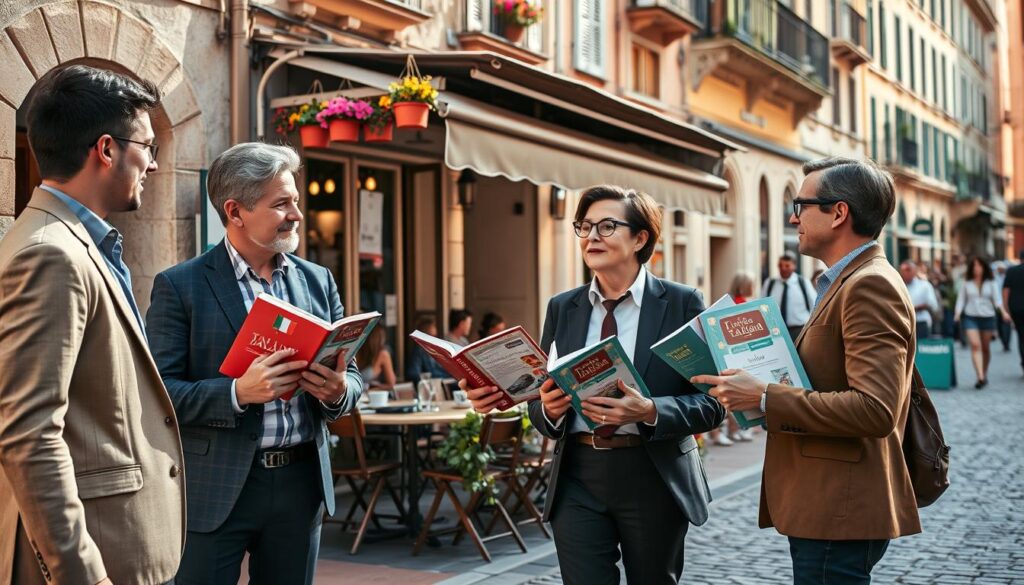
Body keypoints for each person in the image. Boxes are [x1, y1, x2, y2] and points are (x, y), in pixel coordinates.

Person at [463, 186, 725, 585]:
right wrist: (548, 409)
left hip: (653, 475)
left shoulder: (681, 302)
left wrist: (650, 411)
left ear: (640, 239)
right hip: (578, 476)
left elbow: (713, 403)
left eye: (606, 226)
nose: (591, 236)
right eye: (584, 226)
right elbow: (542, 398)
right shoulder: (562, 307)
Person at [693, 157, 921, 584]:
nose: (793, 216)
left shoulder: (868, 284)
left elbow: (875, 409)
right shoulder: (846, 280)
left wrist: (763, 397)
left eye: (801, 204)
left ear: (839, 213)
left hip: (840, 503)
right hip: (828, 498)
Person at [0, 65, 185, 585]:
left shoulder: (74, 244)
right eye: (147, 146)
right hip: (99, 560)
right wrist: (81, 574)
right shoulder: (50, 254)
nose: (153, 162)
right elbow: (30, 434)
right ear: (106, 150)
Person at [146, 143, 363, 584]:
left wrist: (339, 391)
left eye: (295, 202)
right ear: (235, 211)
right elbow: (157, 394)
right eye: (281, 204)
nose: (297, 215)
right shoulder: (180, 286)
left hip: (302, 485)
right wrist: (237, 393)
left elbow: (354, 375)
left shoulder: (317, 281)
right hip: (215, 486)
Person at [709, 272, 756, 446]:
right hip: (738, 353)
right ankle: (734, 430)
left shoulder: (727, 302)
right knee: (733, 392)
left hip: (728, 352)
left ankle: (732, 430)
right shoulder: (741, 304)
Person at [955, 256, 1011, 389]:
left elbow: (997, 300)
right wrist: (957, 314)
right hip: (970, 317)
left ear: (984, 268)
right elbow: (961, 300)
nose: (976, 269)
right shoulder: (966, 282)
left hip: (988, 317)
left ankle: (984, 374)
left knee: (985, 348)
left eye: (979, 266)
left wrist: (1003, 312)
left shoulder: (991, 282)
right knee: (975, 346)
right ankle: (979, 376)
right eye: (974, 266)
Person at [762, 251, 817, 340]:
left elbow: (815, 305)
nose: (783, 268)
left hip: (799, 330)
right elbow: (762, 306)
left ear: (794, 266)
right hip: (776, 331)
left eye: (787, 266)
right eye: (780, 265)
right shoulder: (769, 283)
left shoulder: (803, 282)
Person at [900, 260, 939, 343]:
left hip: (921, 322)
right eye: (903, 270)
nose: (905, 273)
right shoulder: (897, 286)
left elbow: (933, 305)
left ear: (914, 271)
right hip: (903, 323)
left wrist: (919, 307)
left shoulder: (924, 285)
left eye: (908, 270)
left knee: (921, 349)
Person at [406, 315, 450, 381]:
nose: (433, 339)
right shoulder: (419, 351)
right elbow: (414, 374)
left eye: (434, 336)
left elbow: (443, 370)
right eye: (430, 336)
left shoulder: (436, 349)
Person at [1003, 250, 1024, 375]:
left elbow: (1005, 292)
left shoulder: (1011, 271)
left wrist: (1007, 310)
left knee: (1021, 337)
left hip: (1016, 309)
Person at [993, 261, 1012, 351]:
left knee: (1006, 324)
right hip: (997, 306)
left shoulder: (1008, 278)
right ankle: (1003, 340)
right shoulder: (994, 279)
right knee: (999, 325)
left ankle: (1006, 343)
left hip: (1006, 305)